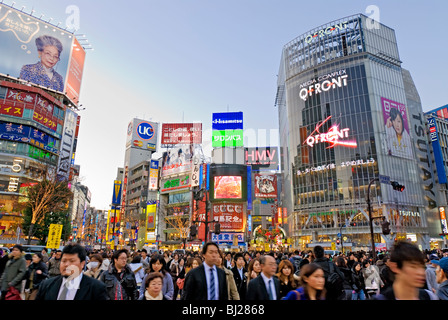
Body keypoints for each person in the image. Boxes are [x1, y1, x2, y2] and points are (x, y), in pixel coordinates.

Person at [35, 244, 108, 300]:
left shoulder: (96, 288)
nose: (67, 264)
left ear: (82, 264)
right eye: (64, 261)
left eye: (72, 261)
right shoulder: (46, 285)